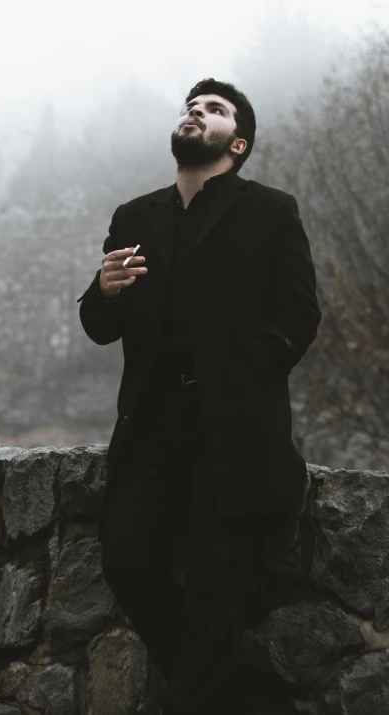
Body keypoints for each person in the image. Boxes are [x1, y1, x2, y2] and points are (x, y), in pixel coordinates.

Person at [77, 78, 321, 715]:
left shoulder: (271, 209)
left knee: (220, 587)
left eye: (213, 110)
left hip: (233, 431)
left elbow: (299, 315)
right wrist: (102, 291)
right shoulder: (134, 217)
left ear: (236, 143)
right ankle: (242, 697)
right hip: (152, 428)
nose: (196, 112)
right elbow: (99, 328)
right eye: (191, 107)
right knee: (127, 558)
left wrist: (246, 370)